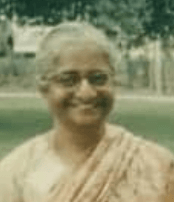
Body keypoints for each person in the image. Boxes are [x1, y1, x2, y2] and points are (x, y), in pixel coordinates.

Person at [0, 21, 174, 202]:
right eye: (68, 79)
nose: (86, 92)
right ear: (44, 88)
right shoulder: (16, 173)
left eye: (98, 78)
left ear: (114, 82)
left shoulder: (156, 165)